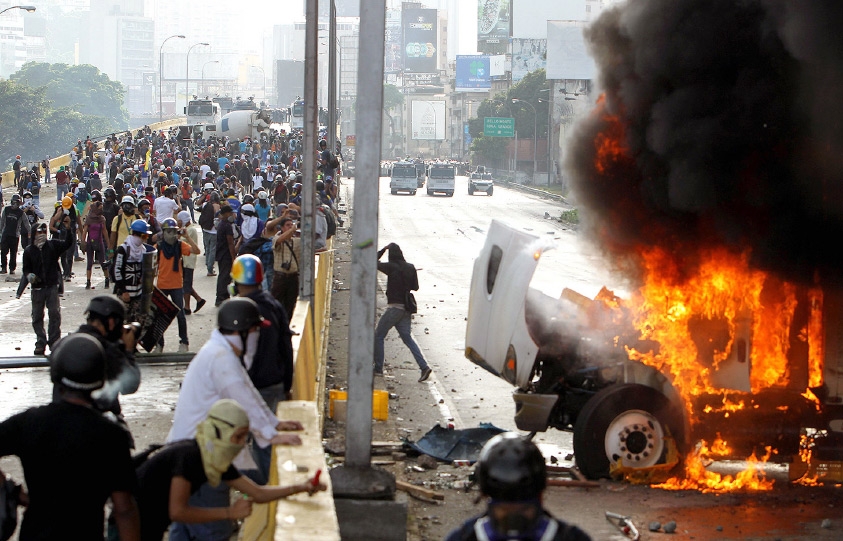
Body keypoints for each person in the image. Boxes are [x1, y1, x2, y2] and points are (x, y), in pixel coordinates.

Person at [166, 297, 304, 541]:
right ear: (241, 331)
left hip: (190, 452)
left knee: (184, 530)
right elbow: (243, 397)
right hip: (203, 457)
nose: (256, 336)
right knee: (213, 531)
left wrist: (272, 422)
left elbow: (247, 391)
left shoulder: (220, 352)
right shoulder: (221, 358)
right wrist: (271, 433)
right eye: (253, 330)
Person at [0, 333, 141, 540]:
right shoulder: (112, 434)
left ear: (55, 374)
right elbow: (124, 509)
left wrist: (9, 488)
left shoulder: (30, 422)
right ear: (100, 379)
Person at [134, 399, 325, 541]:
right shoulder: (189, 457)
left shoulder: (214, 460)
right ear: (220, 432)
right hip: (130, 525)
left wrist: (302, 487)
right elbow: (178, 511)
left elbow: (257, 493)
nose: (242, 445)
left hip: (152, 526)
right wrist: (229, 513)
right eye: (238, 437)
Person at [445, 433, 591, 541]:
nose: (514, 520)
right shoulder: (571, 537)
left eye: (524, 509)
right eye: (504, 510)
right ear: (541, 495)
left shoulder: (463, 537)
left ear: (484, 494)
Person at [232, 255, 295, 481]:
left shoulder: (238, 311)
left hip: (248, 387)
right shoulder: (273, 305)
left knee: (236, 441)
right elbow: (286, 347)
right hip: (273, 384)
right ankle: (268, 489)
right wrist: (287, 383)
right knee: (265, 439)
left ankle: (259, 488)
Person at [374, 243, 431, 382]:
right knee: (407, 339)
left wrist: (383, 249)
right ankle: (424, 367)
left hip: (394, 308)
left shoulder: (390, 266)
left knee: (378, 336)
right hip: (406, 309)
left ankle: (378, 368)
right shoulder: (410, 267)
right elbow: (415, 287)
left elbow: (372, 261)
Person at [22, 221, 75, 355]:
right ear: (34, 234)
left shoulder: (52, 246)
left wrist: (68, 230)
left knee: (54, 314)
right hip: (37, 289)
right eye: (39, 232)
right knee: (37, 317)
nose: (41, 235)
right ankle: (40, 342)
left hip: (51, 287)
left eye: (44, 232)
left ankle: (54, 342)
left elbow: (67, 244)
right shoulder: (29, 251)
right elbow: (26, 269)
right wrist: (29, 276)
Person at [155, 217, 200, 353]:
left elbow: (196, 251)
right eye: (168, 232)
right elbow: (152, 264)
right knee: (159, 316)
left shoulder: (180, 245)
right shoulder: (159, 247)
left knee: (180, 314)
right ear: (163, 233)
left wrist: (187, 236)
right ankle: (159, 344)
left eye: (173, 232)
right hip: (162, 284)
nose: (171, 235)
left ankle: (184, 342)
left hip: (176, 284)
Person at [114, 219, 154, 330]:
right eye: (144, 236)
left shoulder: (143, 250)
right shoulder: (123, 249)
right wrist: (123, 291)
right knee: (123, 324)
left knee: (137, 324)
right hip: (125, 295)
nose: (145, 239)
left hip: (138, 294)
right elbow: (117, 271)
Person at [271, 216, 301, 319]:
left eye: (291, 225)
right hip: (280, 277)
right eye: (287, 225)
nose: (290, 227)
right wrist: (292, 230)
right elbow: (279, 240)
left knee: (291, 305)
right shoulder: (277, 239)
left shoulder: (296, 241)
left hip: (292, 277)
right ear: (282, 228)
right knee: (276, 304)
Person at [177, 211, 206, 314]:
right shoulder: (186, 229)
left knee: (186, 284)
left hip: (189, 259)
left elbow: (180, 240)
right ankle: (199, 299)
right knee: (185, 282)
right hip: (184, 259)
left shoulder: (191, 230)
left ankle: (187, 307)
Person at [81, 189, 111, 289]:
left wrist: (108, 243)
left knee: (103, 262)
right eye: (100, 208)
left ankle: (107, 279)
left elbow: (105, 232)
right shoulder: (89, 219)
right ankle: (88, 281)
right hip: (90, 243)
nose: (101, 210)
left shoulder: (102, 219)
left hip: (100, 242)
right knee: (89, 262)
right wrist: (82, 242)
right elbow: (84, 231)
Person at [0, 194, 30, 274]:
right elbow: (2, 222)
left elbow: (26, 224)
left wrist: (30, 232)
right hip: (5, 234)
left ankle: (12, 268)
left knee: (13, 253)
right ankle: (3, 268)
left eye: (16, 203)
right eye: (13, 202)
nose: (14, 204)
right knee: (3, 252)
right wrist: (0, 231)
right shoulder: (6, 210)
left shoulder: (21, 213)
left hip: (15, 235)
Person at [214, 204, 237, 307]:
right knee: (225, 276)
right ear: (226, 213)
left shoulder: (221, 224)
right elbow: (230, 243)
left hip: (221, 253)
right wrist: (233, 257)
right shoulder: (227, 225)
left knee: (224, 276)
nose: (232, 214)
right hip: (225, 254)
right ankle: (221, 297)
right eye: (231, 212)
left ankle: (223, 296)